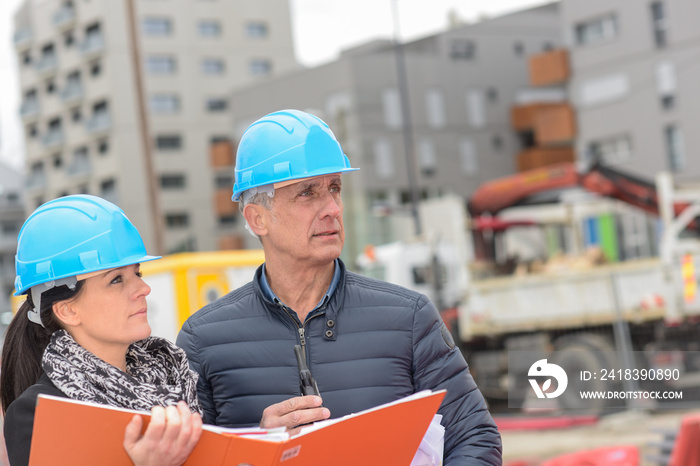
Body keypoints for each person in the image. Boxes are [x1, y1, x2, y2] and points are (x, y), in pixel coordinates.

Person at [176, 109, 502, 464]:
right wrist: (256, 449)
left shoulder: (408, 319)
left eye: (334, 188)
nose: (332, 207)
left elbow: (475, 438)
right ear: (258, 218)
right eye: (307, 193)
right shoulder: (203, 341)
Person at [1, 195, 203, 466]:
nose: (143, 289)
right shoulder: (39, 414)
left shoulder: (176, 380)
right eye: (116, 280)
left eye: (137, 273)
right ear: (68, 310)